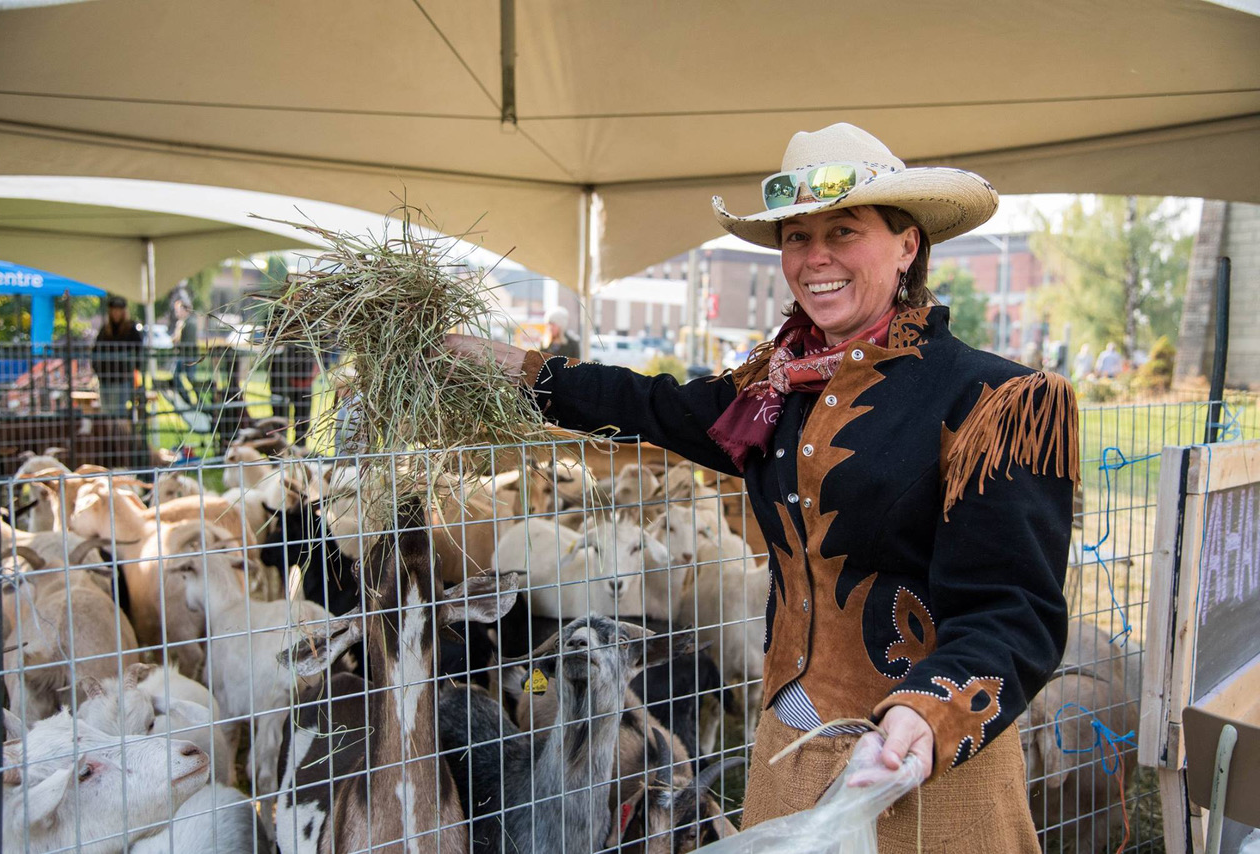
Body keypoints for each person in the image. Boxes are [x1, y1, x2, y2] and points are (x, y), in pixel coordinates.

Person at [447, 123, 1077, 851]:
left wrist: (926, 714)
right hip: (785, 755)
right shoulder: (774, 392)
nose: (815, 257)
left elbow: (1014, 611)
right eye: (796, 237)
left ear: (907, 245)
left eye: (844, 231)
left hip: (917, 772)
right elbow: (651, 405)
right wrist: (523, 370)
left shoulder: (996, 402)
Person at [91, 295, 144, 415]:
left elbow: (139, 351)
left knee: (119, 412)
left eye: (119, 310)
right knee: (106, 411)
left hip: (122, 378)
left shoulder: (131, 330)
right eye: (114, 310)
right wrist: (98, 369)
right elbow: (96, 351)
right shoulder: (105, 330)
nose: (116, 313)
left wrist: (135, 366)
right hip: (105, 378)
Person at [168, 298, 200, 406]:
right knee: (179, 377)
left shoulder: (190, 323)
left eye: (179, 310)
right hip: (184, 356)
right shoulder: (183, 323)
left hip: (188, 356)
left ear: (185, 310)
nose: (177, 313)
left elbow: (185, 342)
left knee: (190, 379)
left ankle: (198, 400)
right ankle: (189, 400)